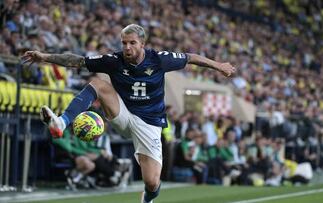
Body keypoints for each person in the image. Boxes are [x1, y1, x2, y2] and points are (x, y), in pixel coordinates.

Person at [22, 24, 235, 203]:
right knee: (97, 82)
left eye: (132, 42)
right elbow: (77, 61)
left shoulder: (159, 59)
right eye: (124, 42)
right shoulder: (113, 61)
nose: (127, 47)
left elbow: (190, 57)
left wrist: (219, 66)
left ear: (142, 44)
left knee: (152, 182)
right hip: (122, 113)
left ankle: (148, 198)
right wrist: (44, 57)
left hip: (149, 124)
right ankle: (62, 122)